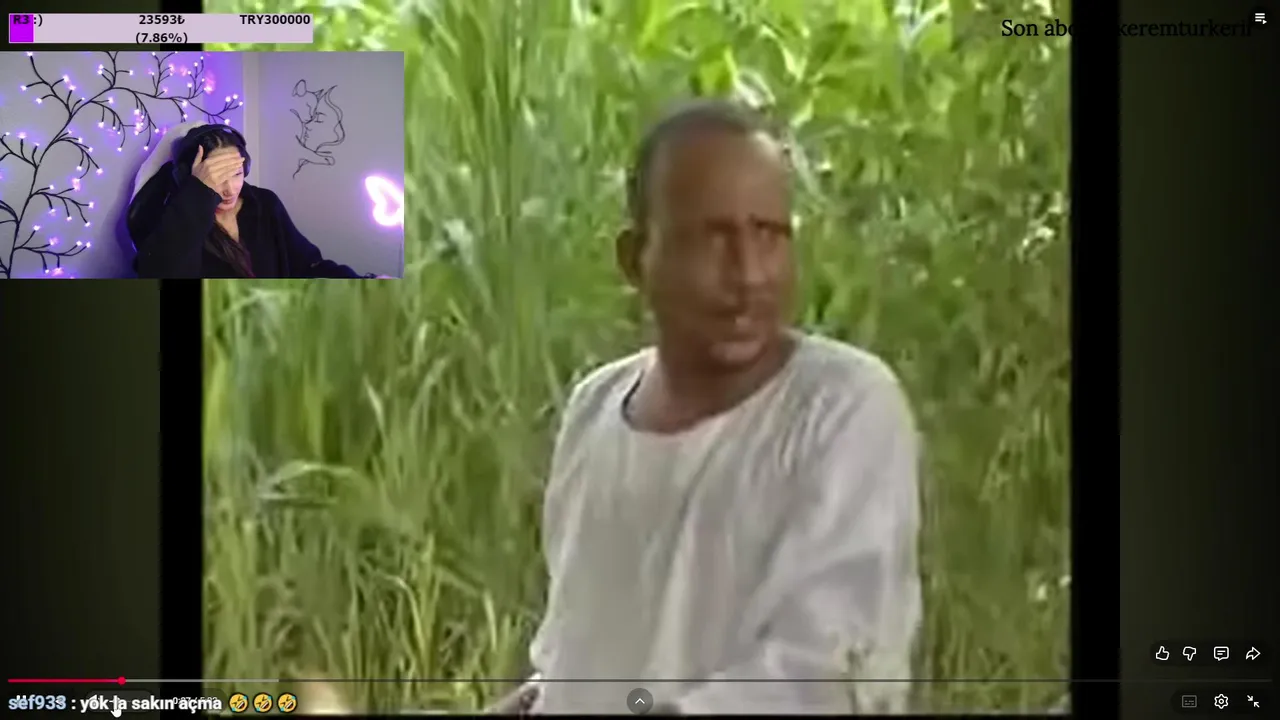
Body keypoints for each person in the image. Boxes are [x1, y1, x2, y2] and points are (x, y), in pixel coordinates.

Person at [488, 100, 923, 715]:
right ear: (635, 259)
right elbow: (580, 656)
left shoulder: (841, 408)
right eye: (711, 239)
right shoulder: (595, 410)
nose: (748, 274)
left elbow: (826, 671)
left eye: (768, 235)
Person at [127, 123, 384, 278]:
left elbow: (308, 266)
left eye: (237, 174)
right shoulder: (175, 221)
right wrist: (198, 194)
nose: (229, 190)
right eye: (217, 178)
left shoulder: (264, 203)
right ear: (190, 178)